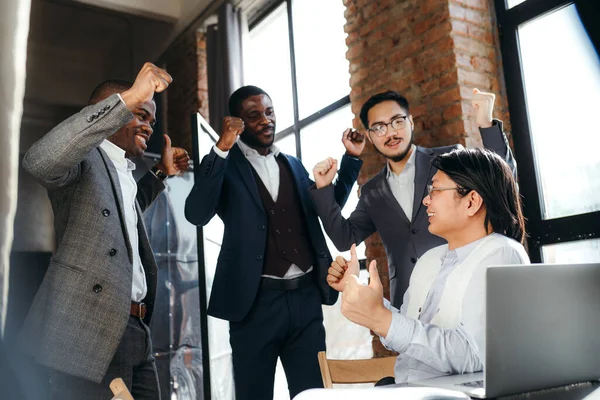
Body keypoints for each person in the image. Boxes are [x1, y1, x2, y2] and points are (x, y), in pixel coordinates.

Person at [19, 62, 190, 399]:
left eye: (151, 120)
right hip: (88, 329)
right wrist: (127, 99)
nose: (149, 126)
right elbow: (39, 160)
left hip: (137, 329)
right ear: (106, 110)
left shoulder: (123, 168)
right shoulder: (85, 158)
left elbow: (118, 219)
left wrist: (161, 172)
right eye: (141, 113)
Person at [184, 85, 364, 399]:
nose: (265, 120)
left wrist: (351, 159)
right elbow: (196, 213)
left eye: (269, 112)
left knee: (314, 394)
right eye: (253, 115)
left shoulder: (293, 165)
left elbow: (326, 204)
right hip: (254, 305)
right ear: (236, 122)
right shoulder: (225, 166)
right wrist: (221, 147)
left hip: (306, 299)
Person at [328, 147, 529, 383]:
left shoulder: (501, 255)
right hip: (408, 387)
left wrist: (380, 319)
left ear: (472, 201)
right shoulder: (430, 259)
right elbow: (408, 326)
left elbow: (475, 355)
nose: (425, 200)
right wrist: (361, 294)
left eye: (434, 190)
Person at [310, 89, 517, 309]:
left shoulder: (448, 159)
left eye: (397, 121)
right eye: (379, 128)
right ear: (370, 136)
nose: (390, 133)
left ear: (411, 122)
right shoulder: (371, 191)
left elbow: (501, 183)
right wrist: (324, 187)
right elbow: (344, 238)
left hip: (460, 291)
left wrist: (486, 124)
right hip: (407, 303)